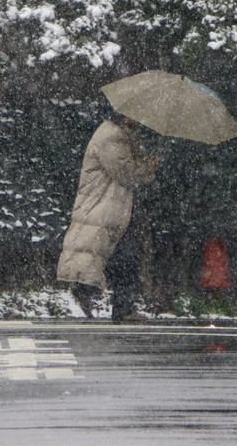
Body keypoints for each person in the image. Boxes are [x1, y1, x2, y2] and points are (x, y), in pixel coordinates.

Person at [57, 112, 159, 320]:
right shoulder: (113, 136)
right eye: (135, 114)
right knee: (105, 254)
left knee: (119, 257)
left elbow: (130, 165)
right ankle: (88, 293)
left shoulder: (123, 134)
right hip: (104, 207)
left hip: (115, 207)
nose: (139, 119)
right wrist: (148, 168)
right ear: (122, 113)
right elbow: (125, 172)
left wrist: (144, 162)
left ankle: (118, 305)